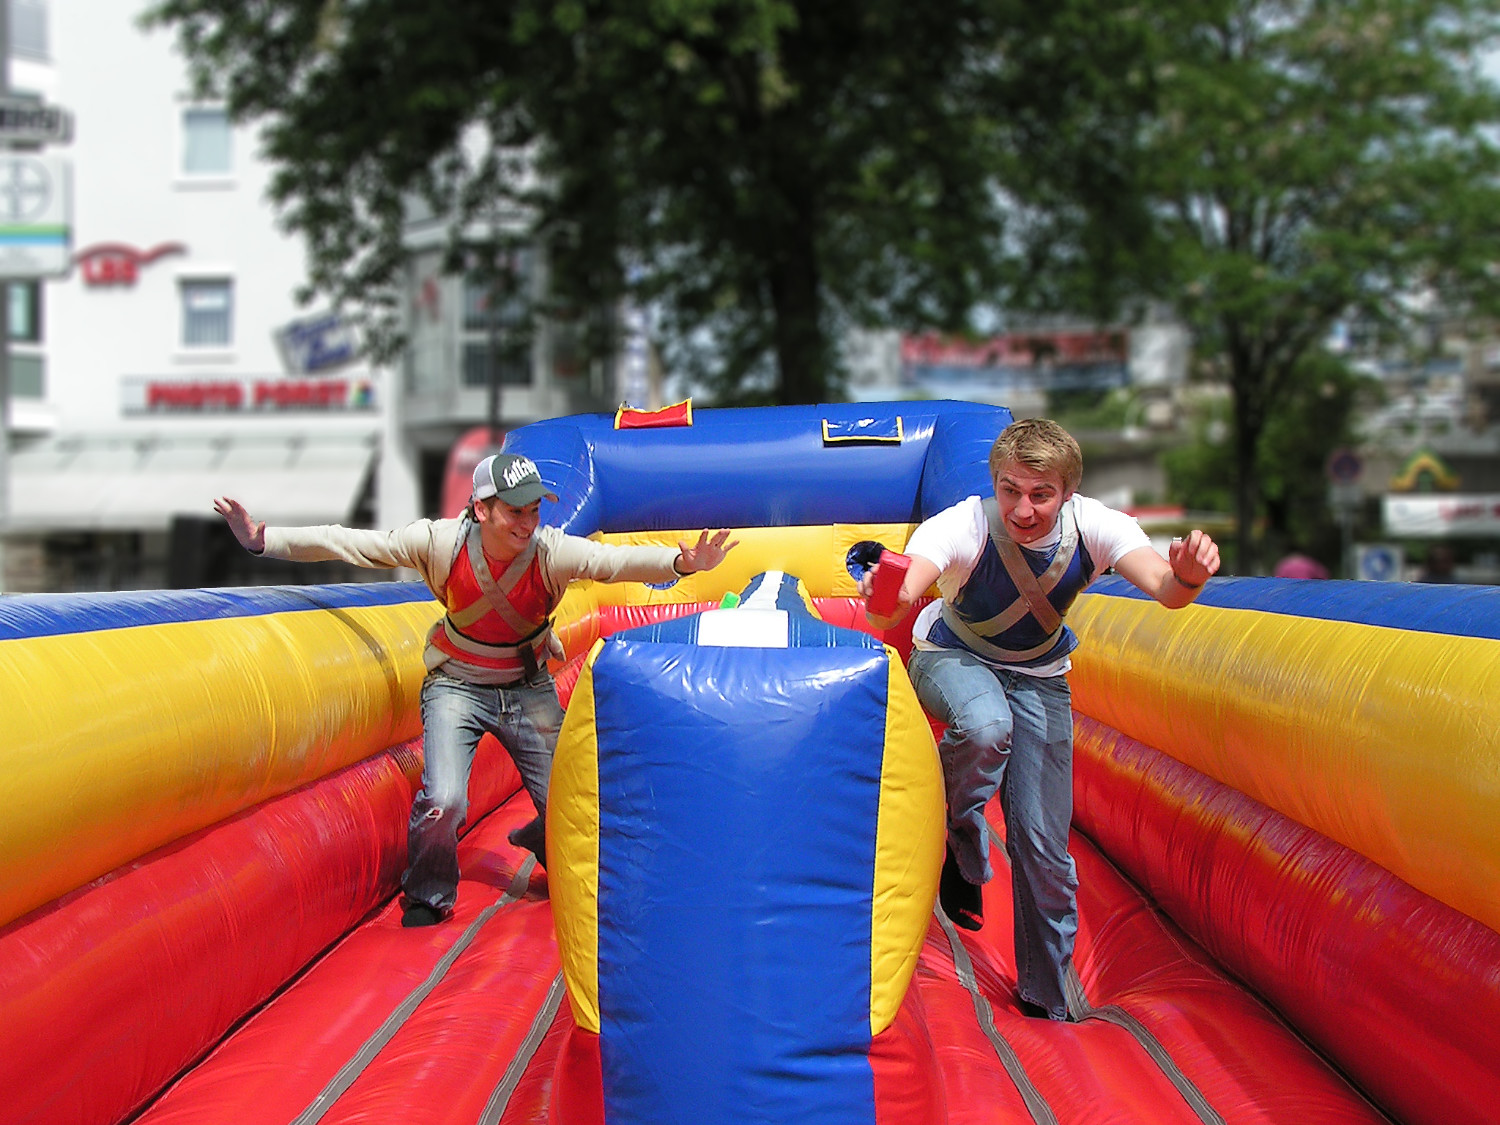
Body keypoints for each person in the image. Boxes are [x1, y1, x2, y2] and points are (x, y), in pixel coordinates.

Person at [216, 453, 737, 927]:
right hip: (457, 687)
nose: (527, 523)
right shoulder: (439, 543)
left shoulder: (549, 553)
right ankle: (428, 892)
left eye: (534, 510)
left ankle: (545, 840)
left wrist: (682, 563)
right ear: (480, 510)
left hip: (527, 687)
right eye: (514, 511)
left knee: (571, 801)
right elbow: (354, 544)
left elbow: (611, 563)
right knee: (443, 800)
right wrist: (264, 537)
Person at [859, 418, 1219, 1020]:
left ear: (1068, 492)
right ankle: (962, 838)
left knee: (1046, 848)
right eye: (1010, 490)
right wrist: (885, 593)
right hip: (951, 656)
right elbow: (904, 591)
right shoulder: (963, 524)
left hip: (1040, 678)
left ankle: (1046, 996)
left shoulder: (1099, 527)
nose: (1022, 509)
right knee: (985, 726)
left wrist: (1187, 573)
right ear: (995, 484)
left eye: (1040, 494)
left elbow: (1167, 589)